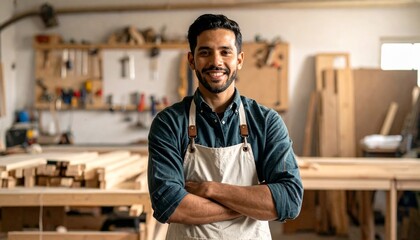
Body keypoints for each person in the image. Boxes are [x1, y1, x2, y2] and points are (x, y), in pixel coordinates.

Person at [148, 14, 303, 239]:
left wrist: (212, 190)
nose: (216, 61)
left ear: (239, 59)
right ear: (191, 60)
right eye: (205, 52)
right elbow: (169, 204)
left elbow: (288, 200)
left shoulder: (265, 121)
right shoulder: (170, 123)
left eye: (225, 51)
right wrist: (249, 207)